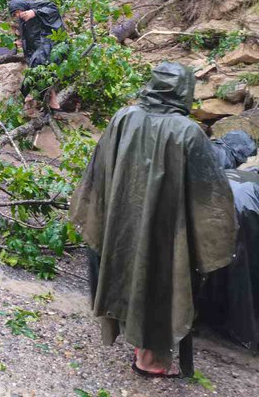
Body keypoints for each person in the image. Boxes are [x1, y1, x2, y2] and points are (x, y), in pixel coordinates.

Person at [70, 62, 236, 378]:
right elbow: (210, 195)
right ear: (183, 92)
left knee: (133, 276)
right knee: (162, 283)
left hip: (122, 224)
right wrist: (213, 241)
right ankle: (151, 362)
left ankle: (140, 349)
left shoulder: (123, 118)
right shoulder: (188, 132)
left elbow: (99, 170)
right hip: (167, 229)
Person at [197, 131, 259, 350]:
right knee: (238, 270)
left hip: (214, 212)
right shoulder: (236, 172)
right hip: (239, 218)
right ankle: (237, 325)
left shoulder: (228, 171)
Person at [7, 0, 65, 110]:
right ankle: (50, 101)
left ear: (22, 6)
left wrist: (35, 12)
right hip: (38, 46)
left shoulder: (34, 5)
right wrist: (21, 43)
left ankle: (30, 94)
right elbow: (27, 35)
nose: (18, 15)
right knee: (39, 68)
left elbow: (53, 8)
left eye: (18, 11)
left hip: (50, 40)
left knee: (39, 65)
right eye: (15, 14)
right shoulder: (22, 18)